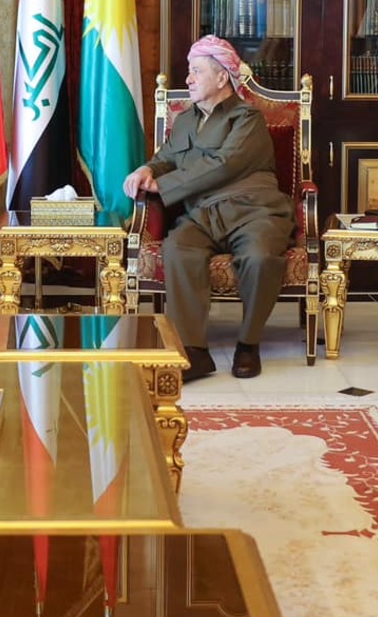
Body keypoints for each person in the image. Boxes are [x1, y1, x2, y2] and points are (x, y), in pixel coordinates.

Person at [123, 35, 293, 382]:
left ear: (221, 77)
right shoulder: (186, 120)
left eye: (196, 71)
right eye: (189, 71)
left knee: (260, 258)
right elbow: (167, 157)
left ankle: (248, 344)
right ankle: (193, 351)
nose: (188, 79)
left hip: (253, 211)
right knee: (178, 247)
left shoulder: (247, 118)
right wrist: (148, 169)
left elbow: (224, 164)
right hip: (203, 213)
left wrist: (164, 186)